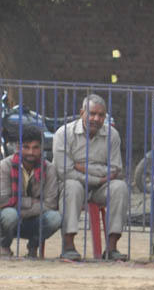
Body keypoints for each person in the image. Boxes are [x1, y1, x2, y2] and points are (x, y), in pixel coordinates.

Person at [53, 93, 130, 261]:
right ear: (82, 113)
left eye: (101, 115)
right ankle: (68, 246)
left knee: (120, 187)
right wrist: (99, 177)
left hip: (100, 188)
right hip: (72, 185)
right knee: (72, 186)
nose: (96, 119)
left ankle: (111, 248)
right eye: (92, 113)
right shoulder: (63, 134)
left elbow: (116, 169)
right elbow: (64, 171)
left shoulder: (112, 135)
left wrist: (83, 167)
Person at [0, 134, 61, 258]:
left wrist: (20, 208)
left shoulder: (49, 168)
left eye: (35, 148)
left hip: (34, 220)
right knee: (9, 215)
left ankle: (33, 246)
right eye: (26, 147)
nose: (31, 152)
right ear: (18, 147)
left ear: (41, 148)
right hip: (12, 218)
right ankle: (4, 246)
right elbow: (4, 200)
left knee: (56, 218)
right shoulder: (5, 165)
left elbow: (51, 204)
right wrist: (32, 201)